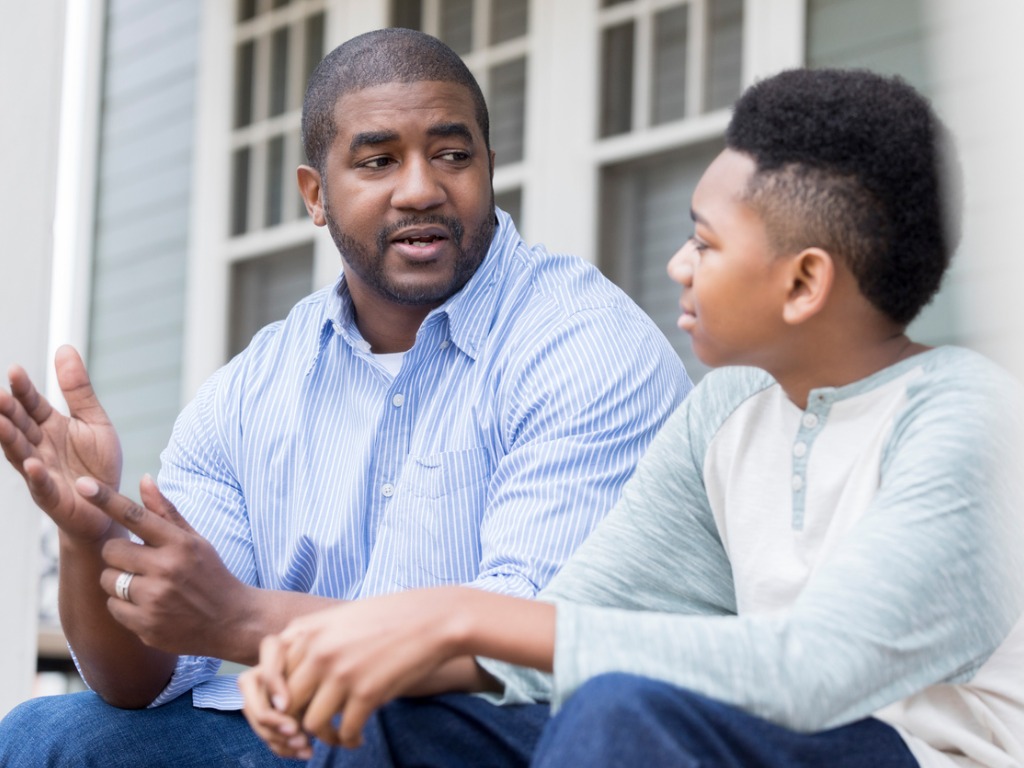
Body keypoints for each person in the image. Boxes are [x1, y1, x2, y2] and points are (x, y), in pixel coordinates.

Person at [240, 68, 1024, 768]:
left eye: (705, 244)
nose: (677, 265)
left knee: (621, 710)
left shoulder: (965, 419)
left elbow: (812, 669)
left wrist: (457, 614)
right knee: (408, 717)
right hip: (743, 735)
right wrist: (346, 650)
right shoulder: (727, 409)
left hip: (916, 751)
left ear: (802, 283)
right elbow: (570, 628)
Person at [0, 28, 689, 767]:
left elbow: (525, 649)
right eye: (378, 160)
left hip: (519, 738)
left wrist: (240, 620)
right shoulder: (255, 387)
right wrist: (87, 535)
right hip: (310, 737)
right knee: (46, 737)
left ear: (489, 167)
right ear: (315, 194)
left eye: (453, 155)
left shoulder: (581, 342)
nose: (422, 188)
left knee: (376, 728)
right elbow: (143, 679)